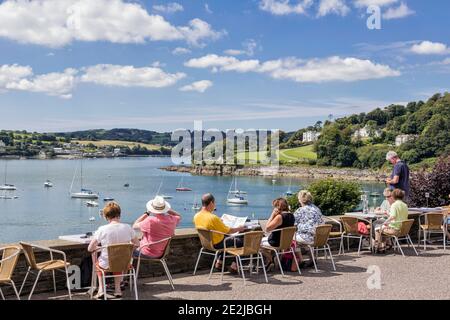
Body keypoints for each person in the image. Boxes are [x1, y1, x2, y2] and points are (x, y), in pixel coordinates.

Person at [88, 202, 139, 299]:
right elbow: (137, 244)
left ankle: (101, 290)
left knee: (96, 261)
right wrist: (128, 249)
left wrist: (100, 248)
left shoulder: (102, 229)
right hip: (124, 264)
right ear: (119, 214)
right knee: (118, 261)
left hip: (106, 264)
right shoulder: (128, 227)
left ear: (106, 216)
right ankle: (117, 290)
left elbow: (90, 248)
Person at [193, 193, 245, 273]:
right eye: (214, 203)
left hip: (206, 243)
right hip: (217, 243)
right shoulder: (213, 218)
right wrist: (239, 228)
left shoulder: (196, 216)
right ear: (211, 203)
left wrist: (219, 222)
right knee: (240, 241)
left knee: (227, 239)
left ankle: (219, 263)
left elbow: (209, 226)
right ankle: (234, 265)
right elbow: (229, 231)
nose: (214, 205)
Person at [261, 198, 296, 271]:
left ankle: (271, 259)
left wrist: (272, 215)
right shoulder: (291, 216)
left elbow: (267, 229)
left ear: (278, 207)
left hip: (276, 242)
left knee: (257, 243)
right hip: (286, 242)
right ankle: (271, 261)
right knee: (264, 242)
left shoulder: (279, 217)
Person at [294, 190, 323, 267]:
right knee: (305, 242)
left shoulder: (300, 210)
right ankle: (312, 259)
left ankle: (301, 261)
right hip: (318, 238)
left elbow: (293, 225)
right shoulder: (317, 209)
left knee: (292, 241)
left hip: (308, 238)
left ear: (301, 199)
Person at [374, 189, 409, 253]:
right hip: (403, 229)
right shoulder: (405, 205)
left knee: (378, 229)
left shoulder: (394, 205)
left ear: (394, 196)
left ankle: (378, 247)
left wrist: (385, 222)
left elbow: (392, 216)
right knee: (382, 228)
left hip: (395, 230)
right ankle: (384, 246)